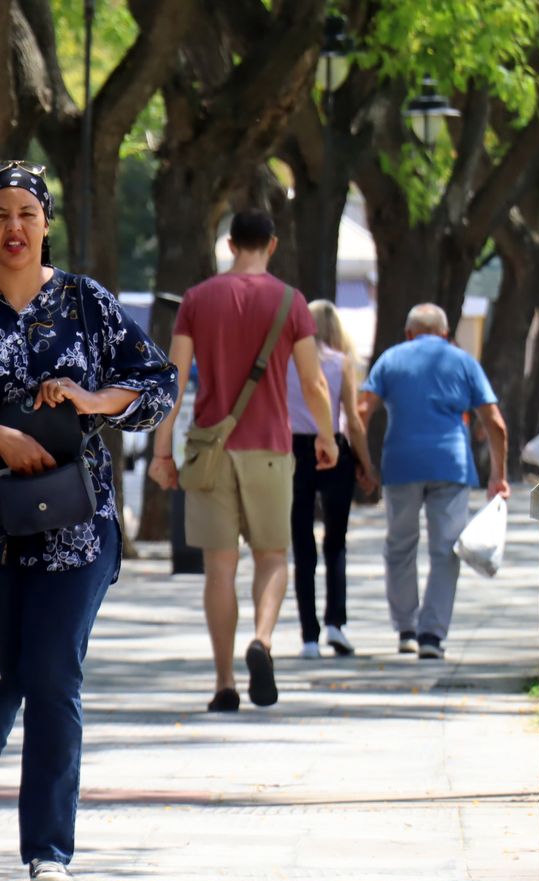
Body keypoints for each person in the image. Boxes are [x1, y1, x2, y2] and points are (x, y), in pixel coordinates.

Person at [0, 160, 178, 881]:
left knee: (56, 675)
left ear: (46, 223)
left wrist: (91, 400)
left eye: (27, 213)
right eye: (0, 215)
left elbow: (156, 384)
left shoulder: (87, 303)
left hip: (77, 527)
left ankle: (49, 850)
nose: (14, 228)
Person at [148, 209, 338, 711]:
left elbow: (173, 381)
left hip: (210, 452)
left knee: (219, 569)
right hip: (270, 448)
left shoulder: (197, 300)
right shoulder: (291, 302)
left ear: (230, 245)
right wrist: (326, 435)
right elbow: (314, 382)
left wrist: (162, 451)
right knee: (272, 556)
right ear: (272, 245)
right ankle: (263, 640)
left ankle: (224, 683)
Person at [358, 303, 508, 660]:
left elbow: (362, 412)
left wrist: (363, 463)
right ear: (445, 333)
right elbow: (495, 423)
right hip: (450, 466)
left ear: (409, 333)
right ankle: (432, 635)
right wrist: (498, 475)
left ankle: (406, 629)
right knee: (446, 551)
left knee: (400, 546)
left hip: (401, 464)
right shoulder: (463, 362)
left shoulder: (390, 359)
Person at [286, 300, 378, 658]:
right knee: (336, 542)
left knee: (302, 543)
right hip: (334, 448)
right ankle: (336, 623)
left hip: (294, 451)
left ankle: (308, 636)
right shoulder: (341, 363)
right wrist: (366, 464)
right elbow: (353, 419)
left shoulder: (286, 361)